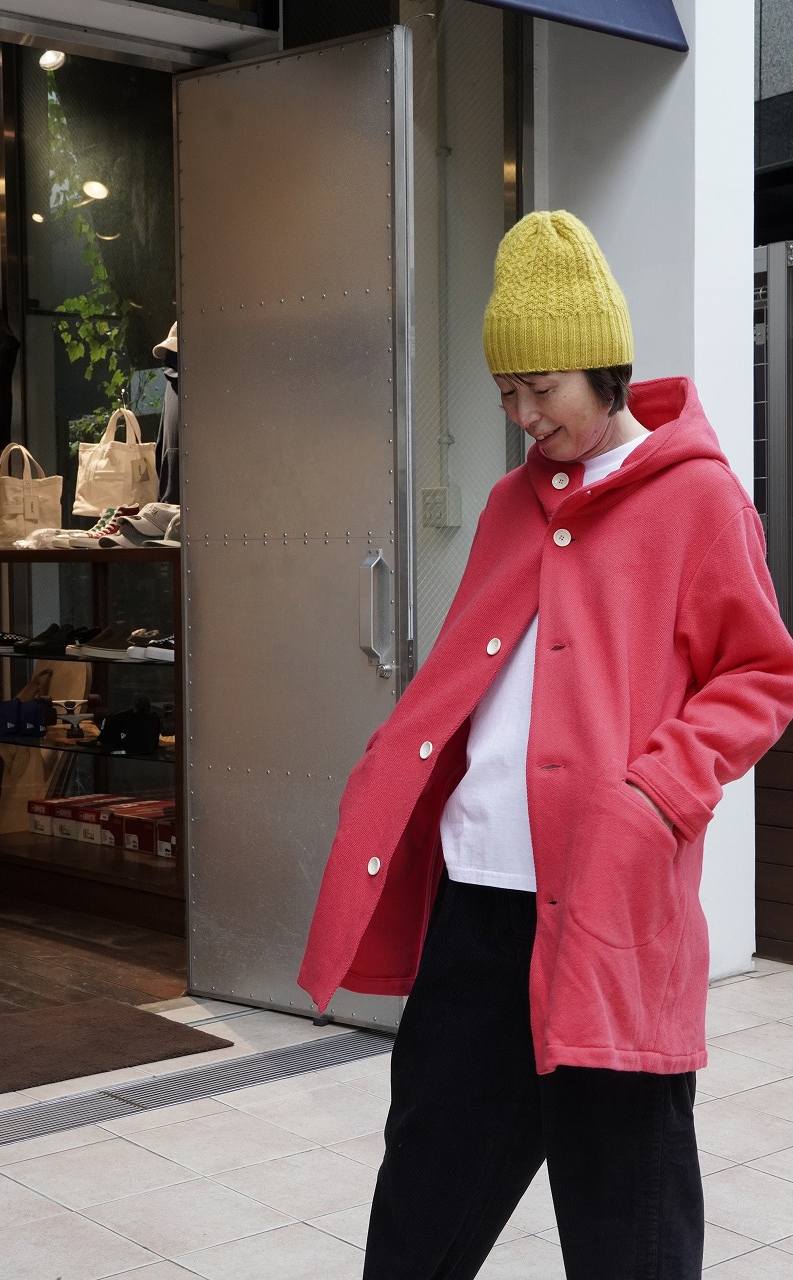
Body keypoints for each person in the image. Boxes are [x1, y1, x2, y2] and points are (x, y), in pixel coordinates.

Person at [298, 210, 793, 1279]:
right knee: (420, 1208)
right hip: (477, 908)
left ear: (605, 369)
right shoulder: (506, 506)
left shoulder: (697, 497)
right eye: (505, 393)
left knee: (627, 1224)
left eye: (543, 387)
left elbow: (760, 673)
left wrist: (653, 795)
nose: (523, 415)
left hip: (610, 905)